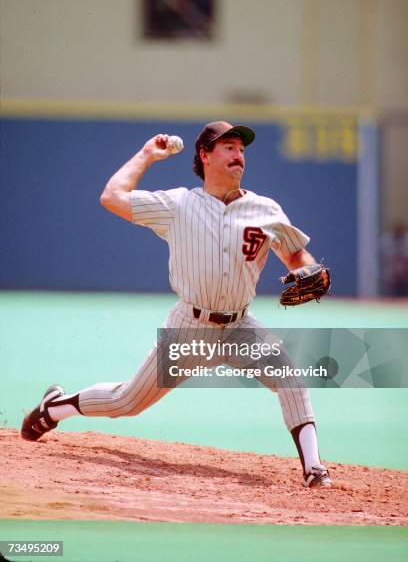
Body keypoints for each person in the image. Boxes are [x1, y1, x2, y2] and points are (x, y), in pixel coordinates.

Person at [21, 121, 332, 488]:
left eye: (242, 149)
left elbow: (295, 254)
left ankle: (314, 469)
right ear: (205, 155)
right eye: (229, 147)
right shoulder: (177, 204)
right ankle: (56, 406)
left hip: (239, 327)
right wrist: (147, 154)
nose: (238, 155)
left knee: (291, 379)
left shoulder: (265, 209)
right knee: (126, 402)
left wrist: (308, 268)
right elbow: (112, 196)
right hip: (189, 327)